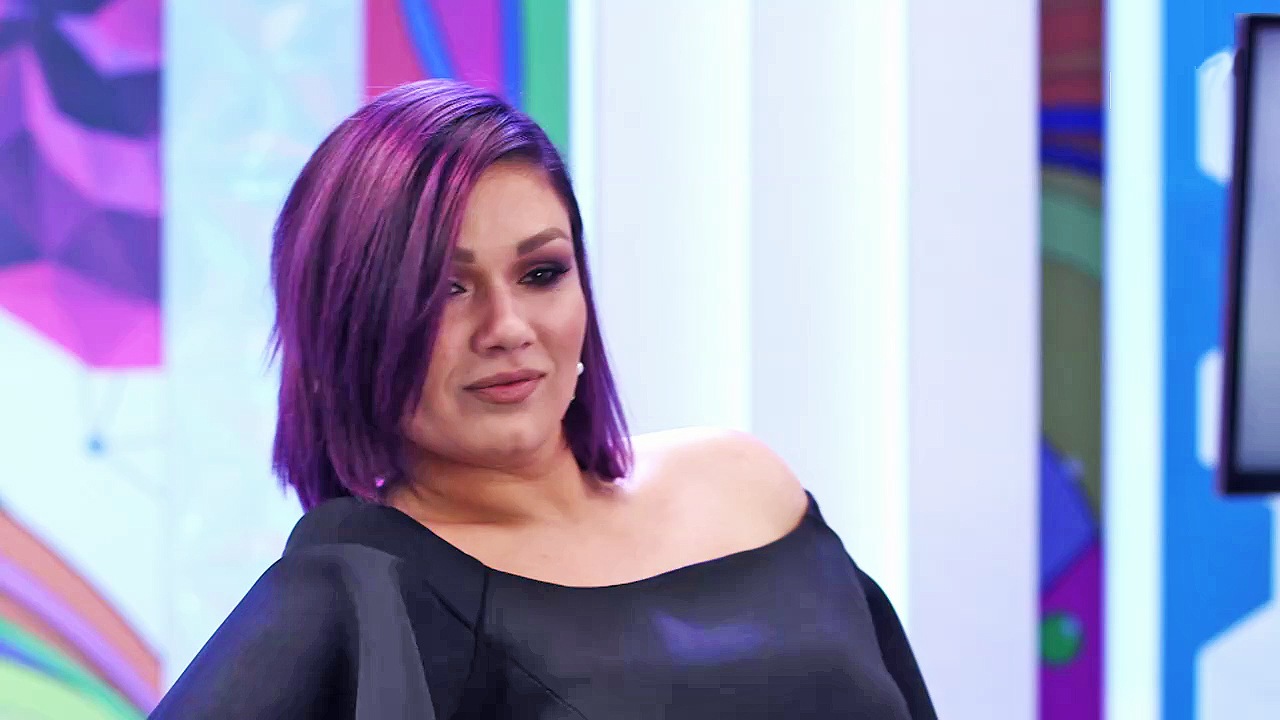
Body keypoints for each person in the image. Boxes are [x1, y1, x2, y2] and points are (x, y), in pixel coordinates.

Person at [148, 79, 937, 719]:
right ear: (348, 323)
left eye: (541, 273)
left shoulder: (746, 481)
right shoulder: (361, 581)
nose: (507, 328)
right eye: (445, 289)